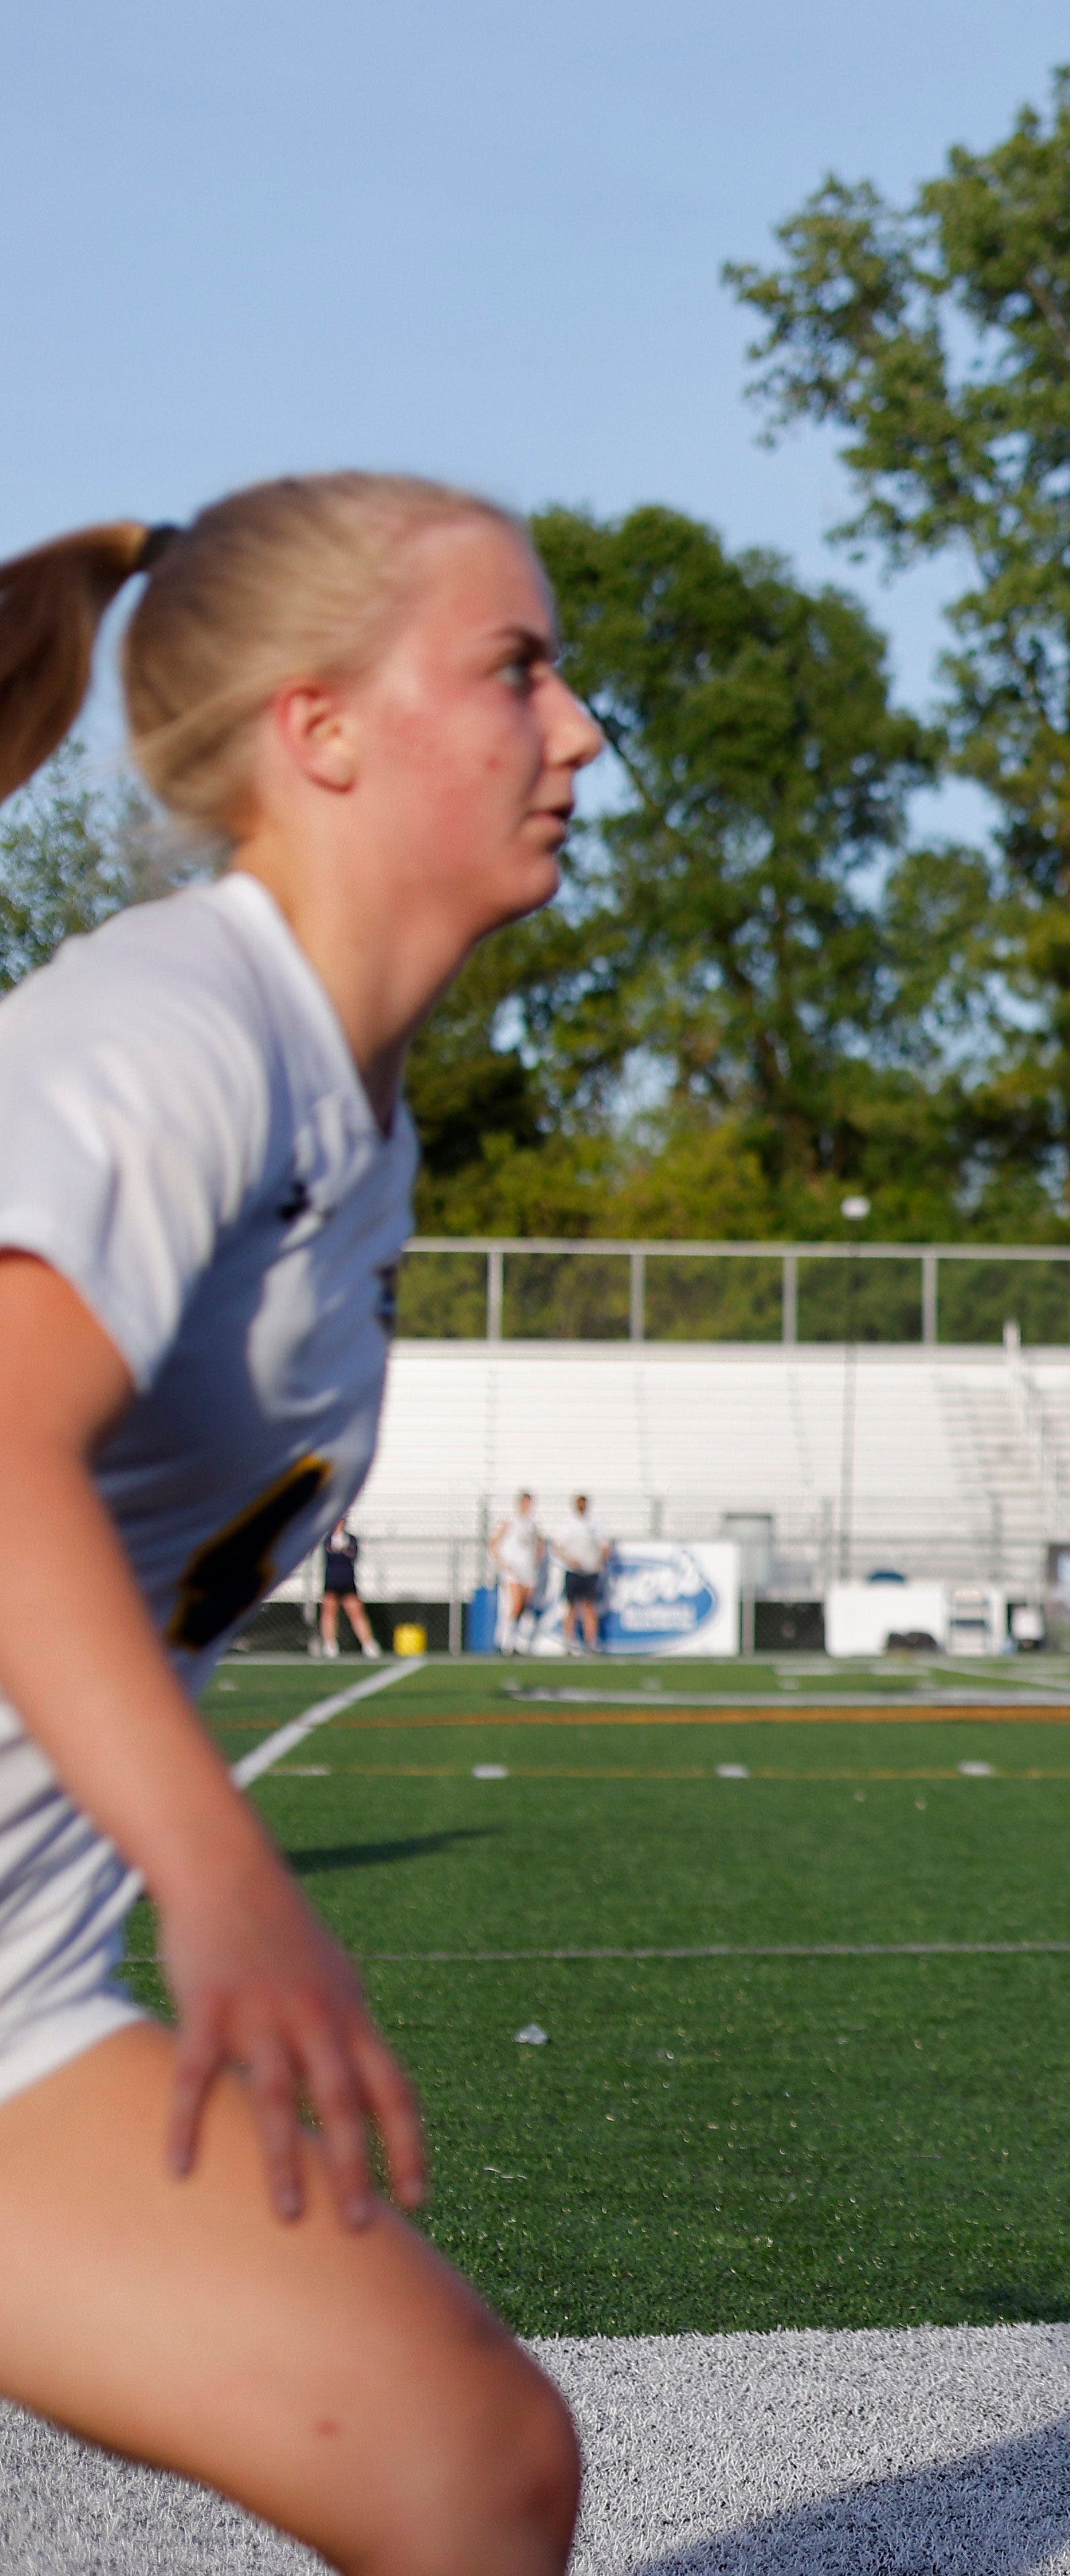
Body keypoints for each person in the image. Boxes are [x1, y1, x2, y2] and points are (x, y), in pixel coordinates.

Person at [0, 481, 595, 2569]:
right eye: (515, 667)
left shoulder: (354, 1099)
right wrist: (226, 1872)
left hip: (11, 1984)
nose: (581, 728)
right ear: (317, 728)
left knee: (470, 2468)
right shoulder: (172, 1029)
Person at [312, 1515, 379, 1659]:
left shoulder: (351, 1540)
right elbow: (330, 1555)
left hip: (348, 1582)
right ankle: (330, 1644)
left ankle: (368, 1644)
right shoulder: (328, 1540)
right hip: (332, 1581)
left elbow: (352, 1555)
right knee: (329, 1611)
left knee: (356, 1612)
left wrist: (343, 1548)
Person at [552, 1492, 608, 1656]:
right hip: (573, 1571)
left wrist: (600, 1562)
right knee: (571, 1607)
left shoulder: (595, 1524)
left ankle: (592, 1643)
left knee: (590, 1607)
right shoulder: (567, 1524)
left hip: (590, 1571)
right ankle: (568, 1643)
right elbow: (557, 1547)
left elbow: (604, 1546)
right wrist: (570, 1560)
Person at [487, 1488, 542, 1654]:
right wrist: (502, 1563)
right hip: (513, 1571)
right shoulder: (510, 1521)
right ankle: (504, 1642)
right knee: (515, 1605)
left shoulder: (532, 1524)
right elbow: (493, 1543)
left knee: (525, 1607)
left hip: (528, 1572)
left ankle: (518, 1643)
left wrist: (536, 1563)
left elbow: (539, 1545)